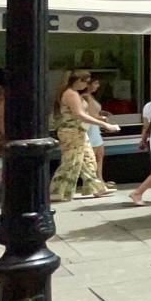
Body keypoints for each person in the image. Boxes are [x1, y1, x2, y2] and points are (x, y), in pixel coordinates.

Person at [50, 69, 118, 202]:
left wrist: (98, 119)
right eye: (85, 82)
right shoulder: (71, 94)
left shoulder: (73, 93)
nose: (86, 85)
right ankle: (56, 192)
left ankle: (96, 187)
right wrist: (105, 125)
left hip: (79, 131)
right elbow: (79, 114)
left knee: (88, 159)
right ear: (77, 81)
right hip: (72, 132)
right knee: (71, 161)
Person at [82, 74, 115, 191]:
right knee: (93, 155)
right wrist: (103, 119)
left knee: (99, 154)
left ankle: (100, 180)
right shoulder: (85, 96)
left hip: (95, 128)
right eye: (95, 83)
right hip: (90, 128)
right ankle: (94, 183)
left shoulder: (90, 96)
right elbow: (89, 115)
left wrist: (102, 114)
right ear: (88, 84)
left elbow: (94, 112)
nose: (98, 86)